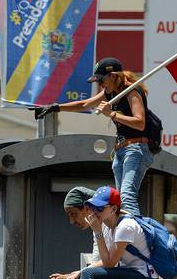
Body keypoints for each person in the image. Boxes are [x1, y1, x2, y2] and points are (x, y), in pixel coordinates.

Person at [33, 58, 154, 216]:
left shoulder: (131, 91)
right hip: (121, 150)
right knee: (119, 200)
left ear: (113, 75)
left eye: (102, 80)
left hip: (136, 149)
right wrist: (55, 107)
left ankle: (136, 236)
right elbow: (85, 104)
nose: (100, 85)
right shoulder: (110, 93)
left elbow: (140, 123)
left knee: (127, 196)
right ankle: (122, 234)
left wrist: (111, 113)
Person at [76, 186, 157, 279]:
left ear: (113, 209)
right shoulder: (107, 226)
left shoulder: (125, 226)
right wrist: (79, 273)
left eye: (100, 208)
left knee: (89, 275)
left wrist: (97, 232)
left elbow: (109, 263)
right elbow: (105, 259)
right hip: (128, 273)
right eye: (92, 207)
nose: (95, 212)